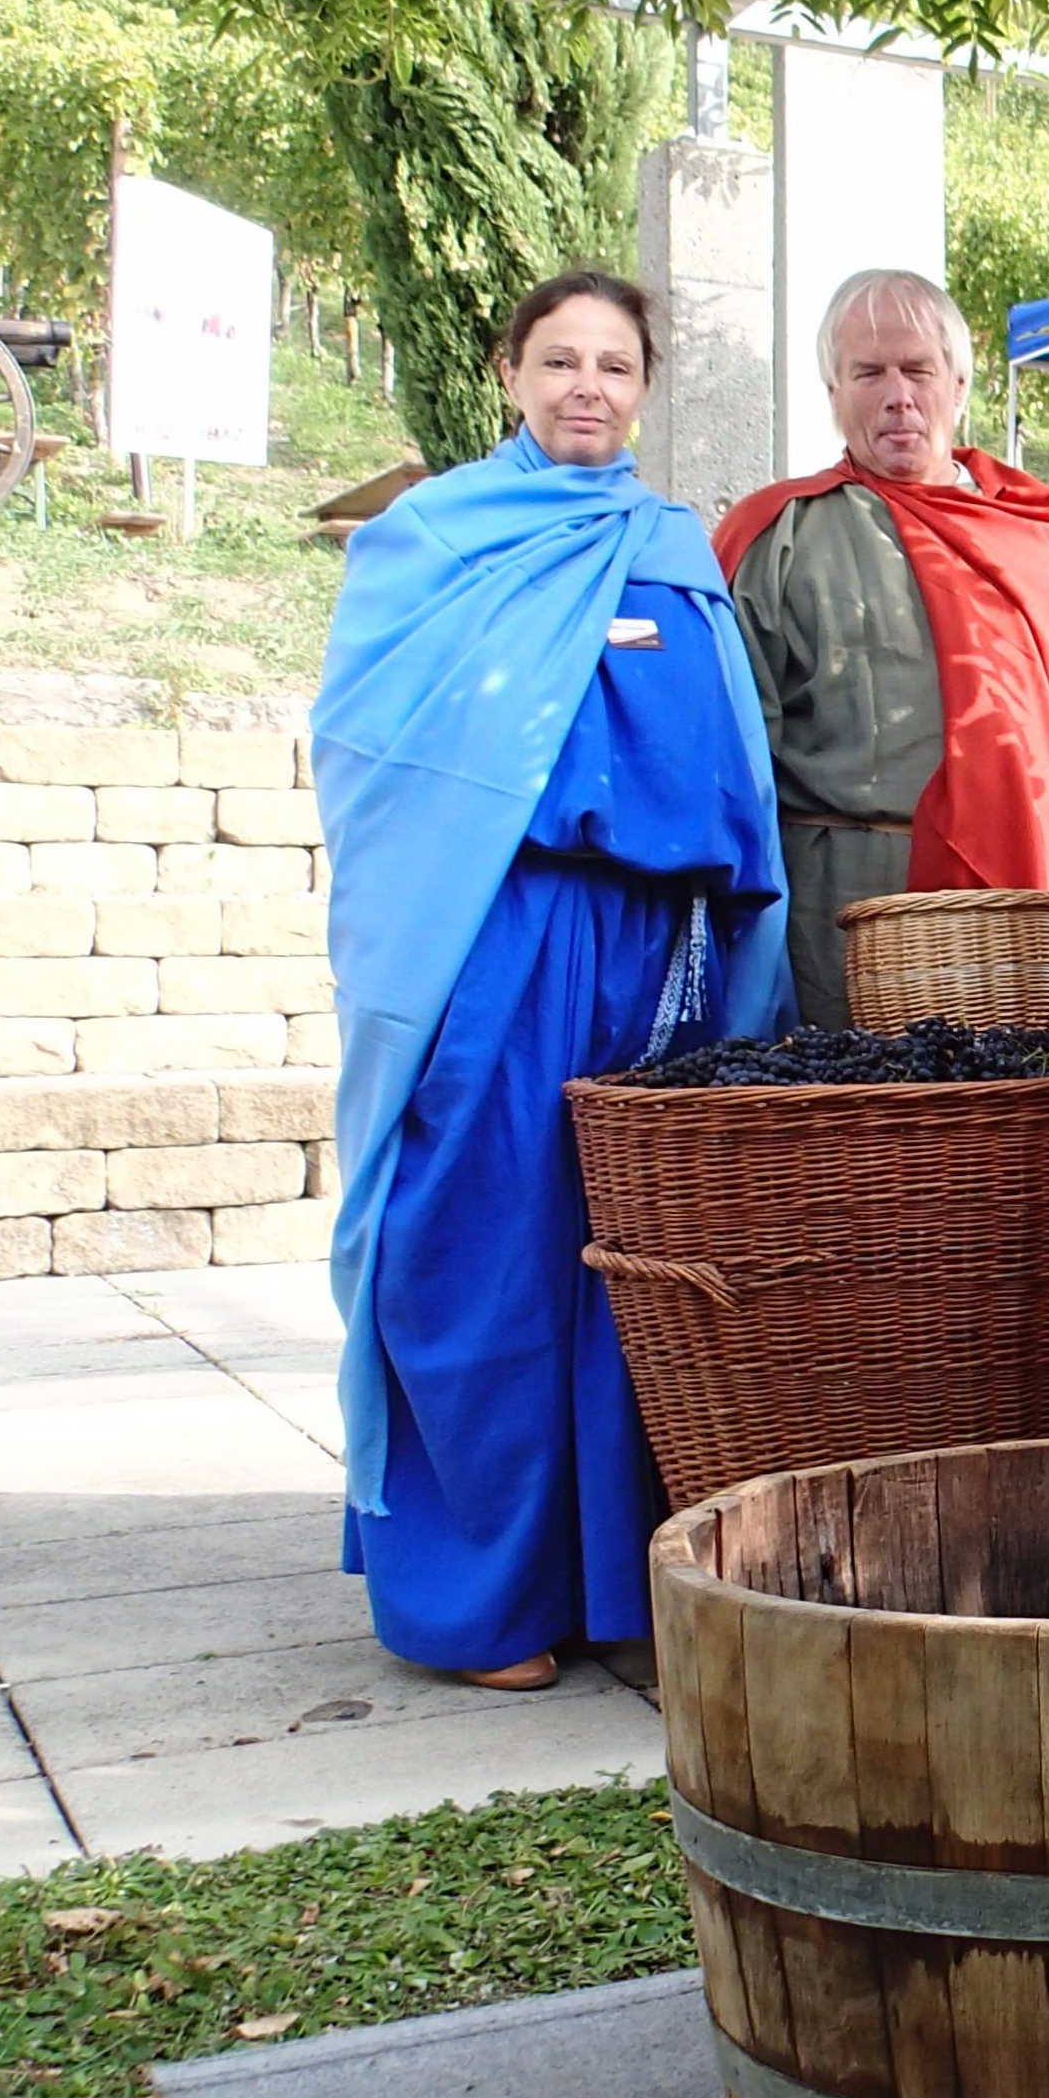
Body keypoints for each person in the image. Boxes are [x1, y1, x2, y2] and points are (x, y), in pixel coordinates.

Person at [318, 269, 792, 1689]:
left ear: (643, 387)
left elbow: (734, 767)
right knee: (479, 1245)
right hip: (496, 936)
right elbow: (373, 749)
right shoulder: (432, 541)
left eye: (614, 365)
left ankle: (619, 1592)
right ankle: (477, 1603)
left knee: (631, 1265)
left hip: (659, 953)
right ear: (511, 374)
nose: (587, 385)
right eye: (559, 361)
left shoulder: (675, 547)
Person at [716, 269, 1049, 1031]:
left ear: (959, 383)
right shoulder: (778, 538)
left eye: (918, 370)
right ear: (832, 391)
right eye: (868, 373)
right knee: (868, 1138)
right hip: (853, 914)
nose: (897, 396)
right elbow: (728, 769)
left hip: (1041, 915)